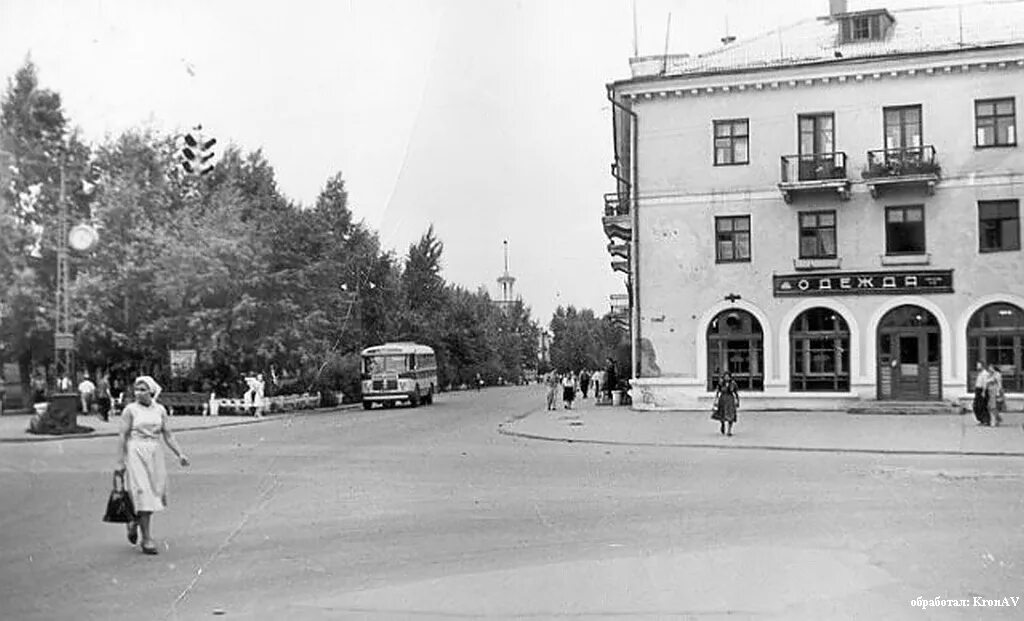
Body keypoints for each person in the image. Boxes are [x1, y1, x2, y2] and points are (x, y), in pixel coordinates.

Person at [115, 376, 189, 555]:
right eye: (136, 389)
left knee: (155, 494)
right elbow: (122, 436)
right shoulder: (130, 410)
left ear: (152, 391)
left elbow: (168, 434)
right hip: (136, 452)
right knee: (143, 493)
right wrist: (120, 461)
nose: (139, 392)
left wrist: (180, 454)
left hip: (154, 452)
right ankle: (146, 538)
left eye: (143, 389)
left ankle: (133, 522)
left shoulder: (160, 410)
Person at [712, 371, 740, 436]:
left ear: (730, 377)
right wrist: (716, 399)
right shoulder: (721, 383)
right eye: (725, 377)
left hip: (730, 400)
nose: (727, 378)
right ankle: (722, 424)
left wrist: (737, 401)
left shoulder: (733, 384)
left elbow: (736, 393)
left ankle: (729, 431)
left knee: (731, 414)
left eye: (728, 377)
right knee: (722, 413)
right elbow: (718, 392)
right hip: (723, 399)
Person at [972, 361, 991, 426]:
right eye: (977, 365)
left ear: (982, 366)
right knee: (976, 406)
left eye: (978, 365)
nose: (977, 367)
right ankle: (981, 420)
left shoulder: (985, 373)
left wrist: (983, 392)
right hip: (978, 390)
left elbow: (985, 383)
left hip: (982, 391)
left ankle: (986, 421)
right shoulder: (980, 373)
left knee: (982, 406)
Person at [986, 362, 1004, 427]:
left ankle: (993, 421)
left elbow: (999, 384)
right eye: (989, 368)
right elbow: (986, 382)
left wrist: (998, 392)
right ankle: (998, 418)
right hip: (990, 391)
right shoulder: (989, 375)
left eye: (990, 367)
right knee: (990, 407)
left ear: (993, 368)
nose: (989, 369)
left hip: (995, 391)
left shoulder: (997, 374)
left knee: (993, 407)